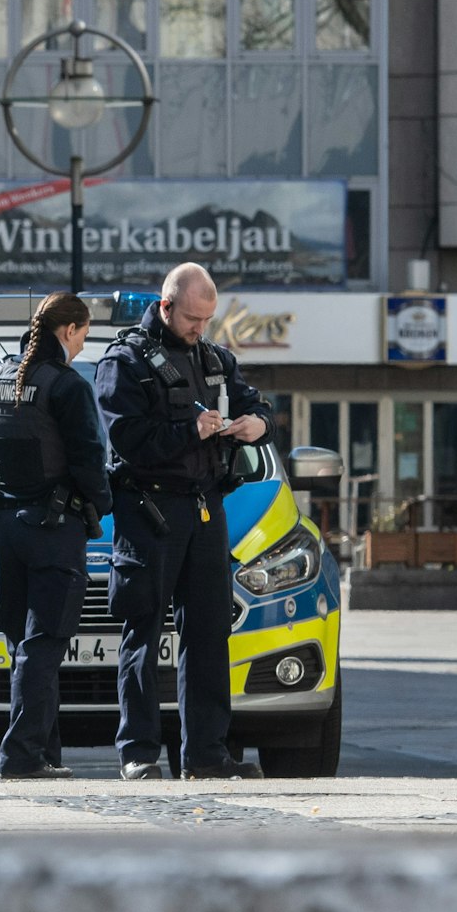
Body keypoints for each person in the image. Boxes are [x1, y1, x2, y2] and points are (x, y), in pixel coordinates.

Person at [94, 263, 273, 781]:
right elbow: (128, 440)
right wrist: (190, 431)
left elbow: (257, 403)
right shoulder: (125, 362)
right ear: (166, 306)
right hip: (150, 509)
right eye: (193, 318)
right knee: (142, 628)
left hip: (204, 506)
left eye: (207, 319)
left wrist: (257, 424)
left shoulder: (214, 358)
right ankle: (139, 753)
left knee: (209, 631)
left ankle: (206, 754)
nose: (201, 328)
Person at [0, 293, 111, 780]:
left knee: (24, 646)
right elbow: (89, 459)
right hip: (53, 529)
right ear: (70, 330)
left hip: (4, 529)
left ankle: (46, 753)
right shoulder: (66, 386)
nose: (82, 345)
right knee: (45, 643)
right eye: (84, 335)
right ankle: (22, 756)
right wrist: (101, 506)